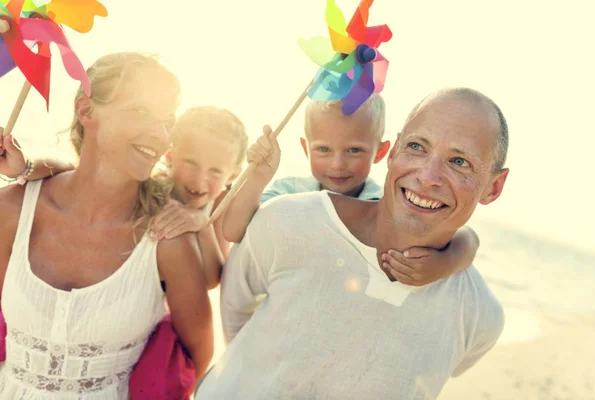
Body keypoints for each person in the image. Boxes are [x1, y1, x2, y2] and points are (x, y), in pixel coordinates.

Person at [195, 87, 510, 399]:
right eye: (417, 146)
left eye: (459, 162)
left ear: (494, 188)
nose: (428, 177)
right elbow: (235, 304)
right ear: (396, 149)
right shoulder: (285, 219)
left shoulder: (480, 316)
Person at [0, 52, 213, 399]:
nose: (159, 134)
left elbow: (196, 366)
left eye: (167, 120)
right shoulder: (12, 210)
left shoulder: (167, 240)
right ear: (86, 111)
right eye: (140, 111)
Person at [222, 95, 481, 287]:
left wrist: (446, 263)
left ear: (381, 152)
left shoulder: (383, 204)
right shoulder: (288, 193)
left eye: (354, 150)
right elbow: (233, 231)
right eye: (323, 150)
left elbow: (467, 238)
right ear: (305, 148)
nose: (337, 164)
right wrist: (258, 177)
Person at [0, 105, 250, 289]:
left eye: (215, 170)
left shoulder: (219, 208)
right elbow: (70, 170)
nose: (200, 179)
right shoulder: (152, 187)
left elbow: (210, 279)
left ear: (233, 175)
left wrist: (200, 224)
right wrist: (26, 167)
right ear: (169, 158)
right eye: (191, 163)